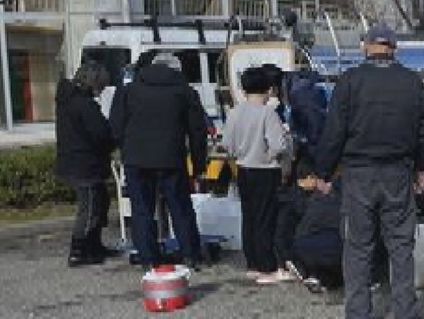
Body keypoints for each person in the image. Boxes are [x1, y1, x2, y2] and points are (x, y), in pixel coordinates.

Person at [314, 23, 424, 319]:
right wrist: (421, 169)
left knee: (357, 248)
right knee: (401, 247)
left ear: (366, 47)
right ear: (393, 49)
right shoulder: (412, 83)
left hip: (359, 176)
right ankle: (406, 317)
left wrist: (323, 173)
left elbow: (334, 132)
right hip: (398, 173)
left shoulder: (350, 82)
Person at [109, 53, 207, 269]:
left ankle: (148, 259)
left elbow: (115, 125)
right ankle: (190, 254)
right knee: (180, 207)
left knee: (141, 210)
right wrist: (200, 164)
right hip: (171, 158)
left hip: (136, 158)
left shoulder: (130, 90)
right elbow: (197, 130)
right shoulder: (185, 92)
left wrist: (125, 149)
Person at [223, 67, 292, 284]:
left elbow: (227, 145)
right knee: (266, 219)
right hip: (265, 170)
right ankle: (267, 267)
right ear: (269, 90)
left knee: (250, 216)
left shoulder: (235, 112)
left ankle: (252, 262)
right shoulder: (267, 113)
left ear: (243, 89)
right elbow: (278, 145)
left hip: (243, 168)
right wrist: (270, 156)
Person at [55, 61, 118, 267]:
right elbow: (100, 133)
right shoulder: (83, 104)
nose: (100, 91)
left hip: (75, 161)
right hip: (84, 164)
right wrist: (113, 138)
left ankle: (93, 245)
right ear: (92, 82)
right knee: (90, 207)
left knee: (99, 201)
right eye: (100, 86)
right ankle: (79, 250)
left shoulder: (68, 101)